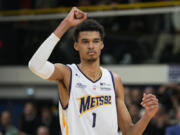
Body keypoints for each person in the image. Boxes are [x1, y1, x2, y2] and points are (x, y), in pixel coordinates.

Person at [28, 7, 159, 135]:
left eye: (95, 41)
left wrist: (148, 115)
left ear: (101, 44)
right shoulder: (67, 73)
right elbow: (35, 65)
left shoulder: (114, 80)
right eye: (85, 41)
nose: (91, 46)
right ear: (76, 45)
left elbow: (129, 132)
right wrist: (65, 24)